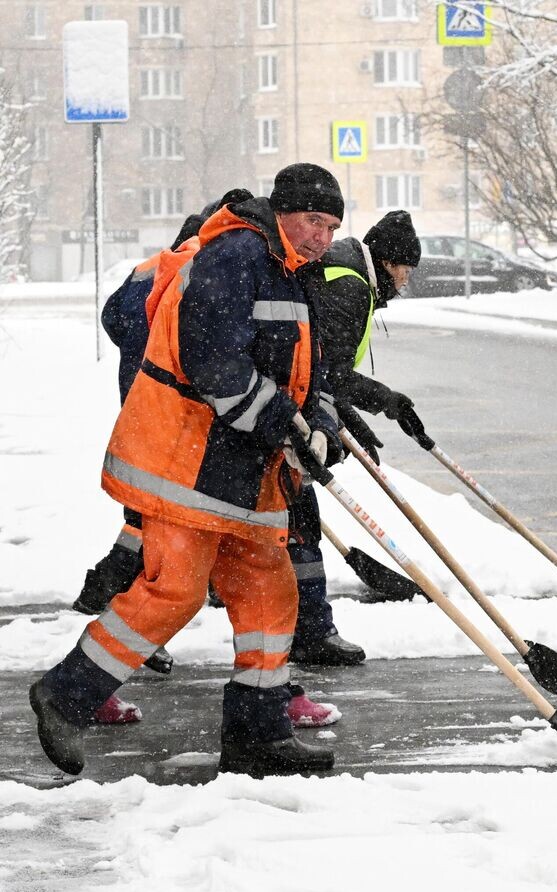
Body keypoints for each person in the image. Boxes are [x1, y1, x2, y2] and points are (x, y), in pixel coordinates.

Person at [29, 164, 346, 777]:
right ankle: (65, 696)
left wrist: (320, 423)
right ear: (283, 212)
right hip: (186, 462)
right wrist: (281, 422)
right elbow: (214, 360)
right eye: (314, 221)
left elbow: (306, 370)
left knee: (269, 592)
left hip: (244, 470)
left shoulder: (292, 272)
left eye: (331, 227)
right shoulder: (235, 256)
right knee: (173, 591)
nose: (321, 238)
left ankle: (259, 732)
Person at [284, 210, 430, 660]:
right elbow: (324, 370)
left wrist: (347, 416)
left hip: (294, 406)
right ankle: (311, 633)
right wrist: (383, 399)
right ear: (387, 262)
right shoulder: (349, 286)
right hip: (287, 414)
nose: (405, 280)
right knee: (298, 525)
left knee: (287, 525)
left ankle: (307, 628)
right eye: (404, 269)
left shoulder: (347, 272)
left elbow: (324, 367)